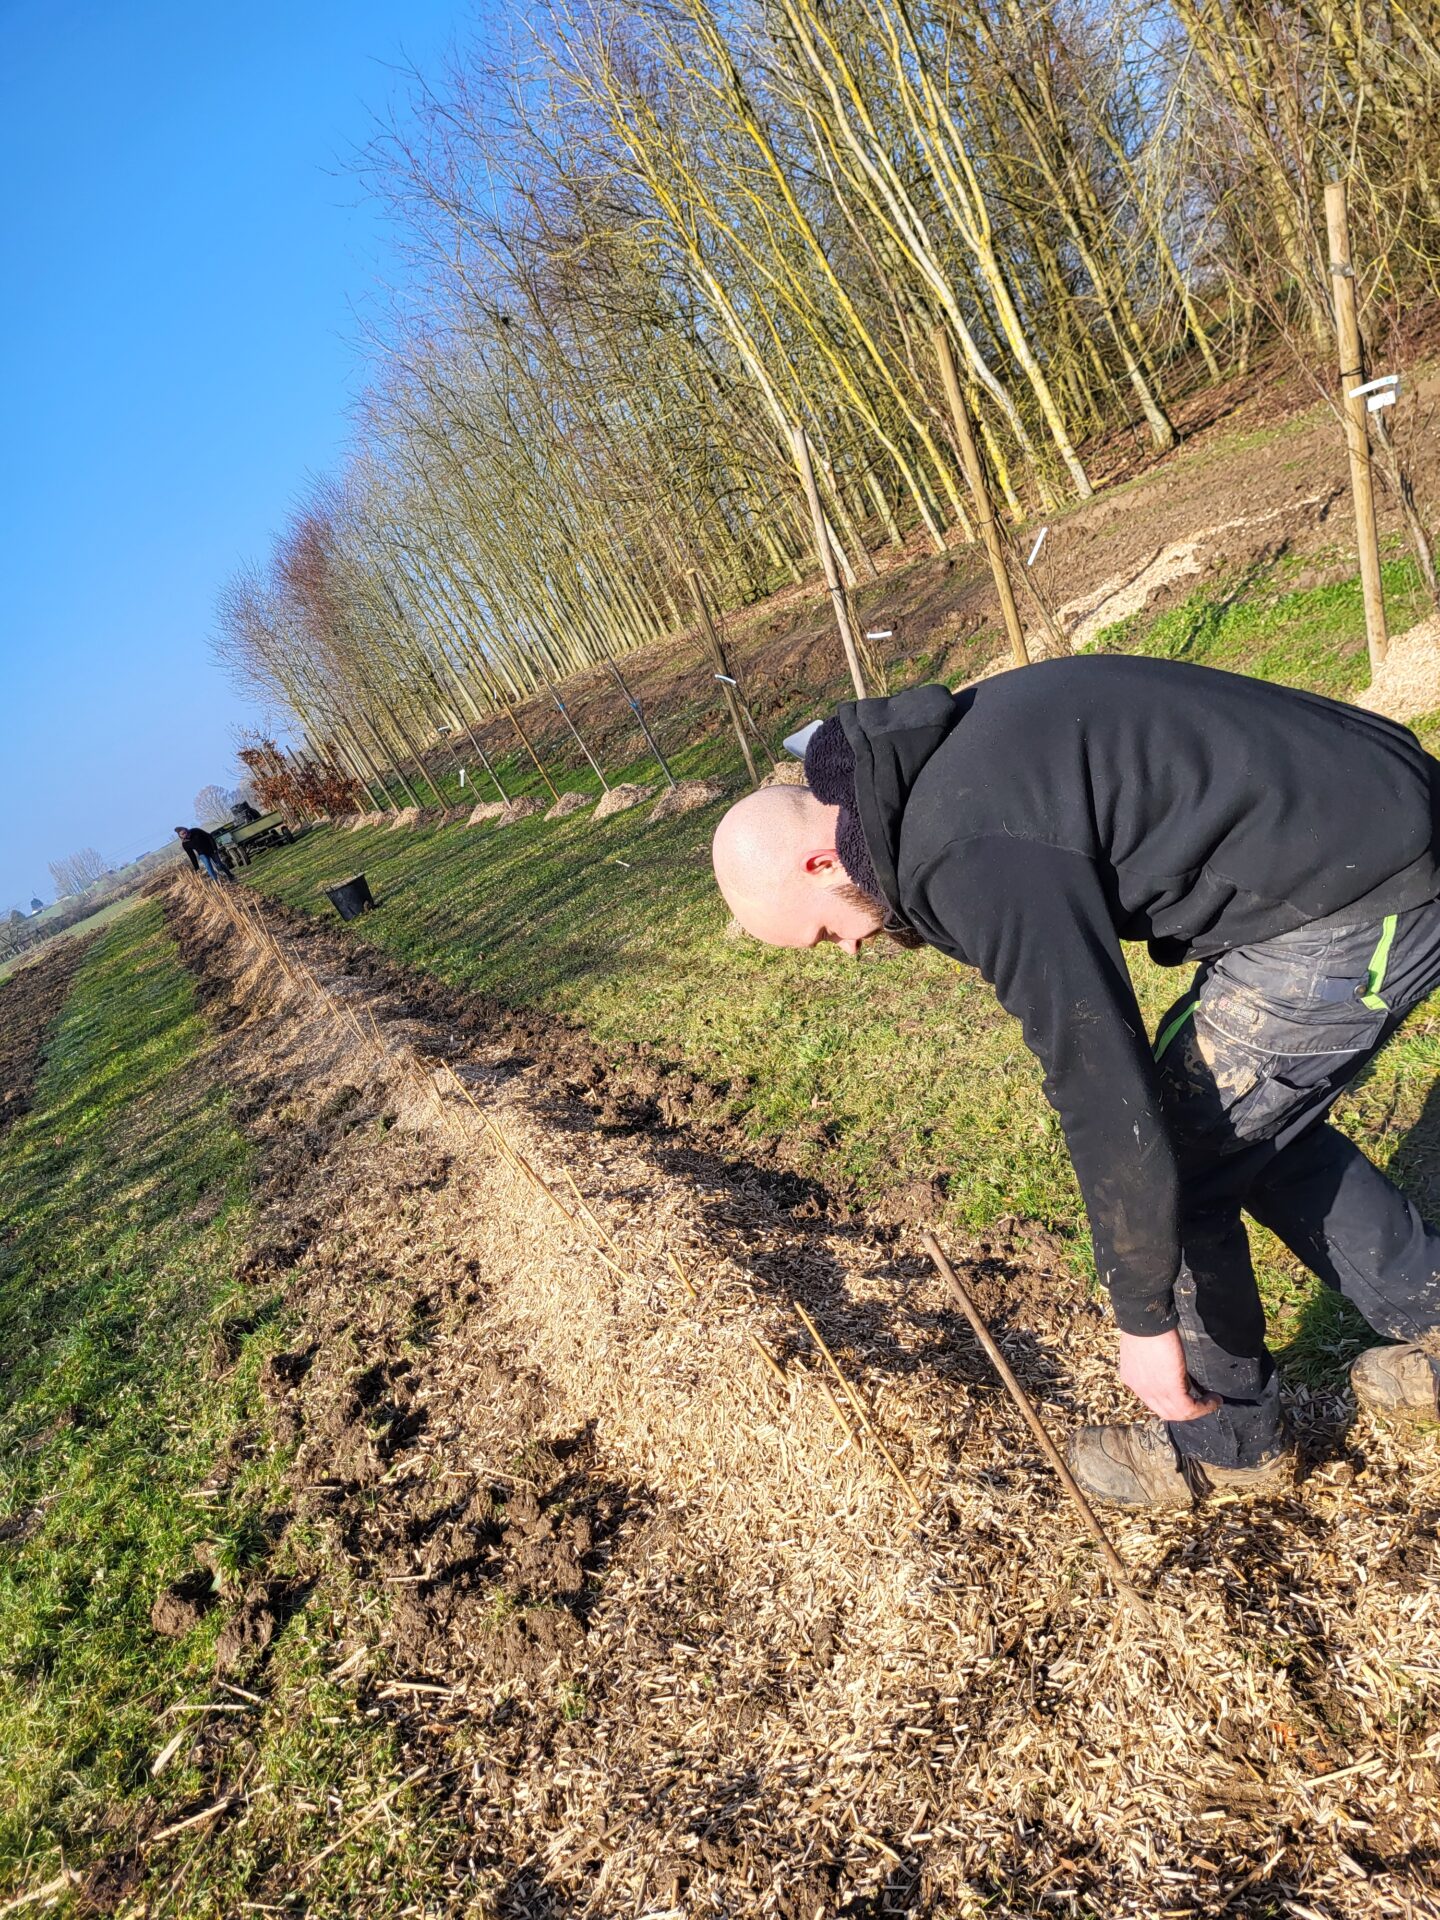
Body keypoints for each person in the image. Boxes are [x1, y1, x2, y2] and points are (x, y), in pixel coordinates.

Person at [711, 656, 1440, 1508]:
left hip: (1368, 884)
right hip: (1351, 823)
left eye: (825, 934)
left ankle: (1226, 1445)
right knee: (1236, 1119)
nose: (850, 948)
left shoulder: (968, 852)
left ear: (814, 865)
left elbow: (1100, 1084)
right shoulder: (908, 773)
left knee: (1178, 1151)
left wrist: (1143, 1321)